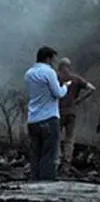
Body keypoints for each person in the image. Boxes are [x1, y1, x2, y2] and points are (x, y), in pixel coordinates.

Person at [24, 46, 68, 181]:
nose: (53, 62)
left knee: (35, 152)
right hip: (49, 117)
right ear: (48, 58)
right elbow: (57, 93)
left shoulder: (29, 73)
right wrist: (65, 86)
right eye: (52, 59)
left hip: (33, 118)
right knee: (49, 153)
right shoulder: (49, 72)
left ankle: (34, 180)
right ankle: (46, 183)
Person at [55, 56, 94, 173]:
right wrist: (79, 100)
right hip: (72, 112)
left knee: (56, 138)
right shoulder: (76, 79)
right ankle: (66, 165)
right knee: (69, 139)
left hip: (58, 112)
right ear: (69, 66)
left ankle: (57, 161)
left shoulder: (56, 78)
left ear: (60, 67)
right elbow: (92, 88)